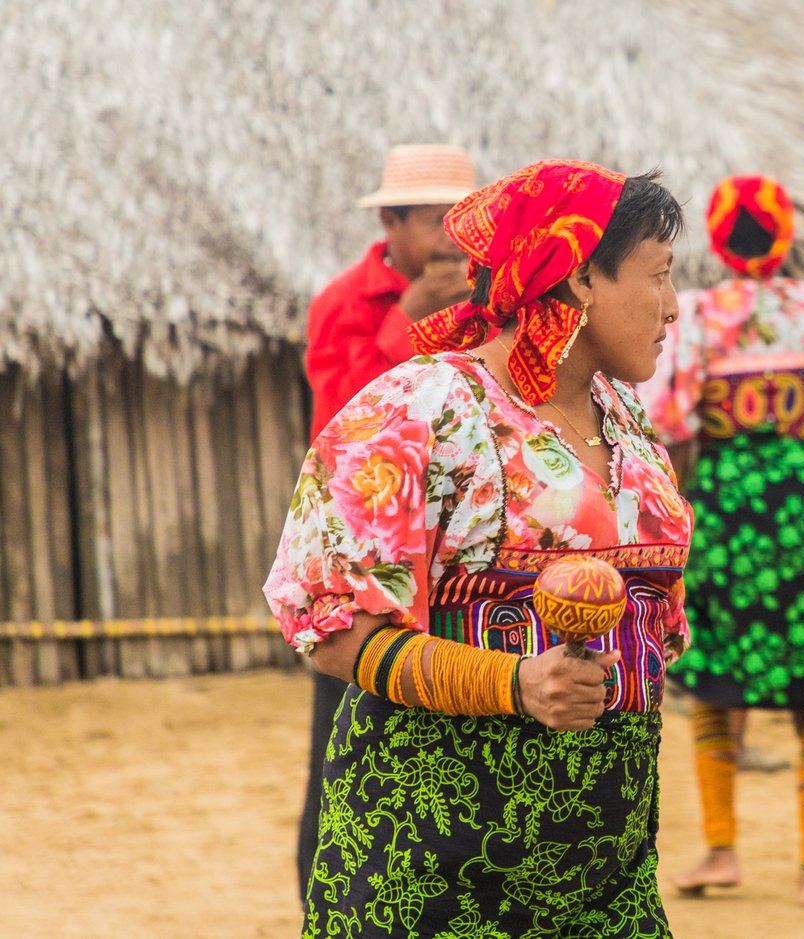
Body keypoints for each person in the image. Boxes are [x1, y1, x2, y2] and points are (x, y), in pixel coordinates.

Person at [265, 159, 693, 937]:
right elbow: (331, 627)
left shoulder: (629, 425)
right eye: (658, 276)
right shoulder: (417, 412)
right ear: (577, 282)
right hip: (435, 879)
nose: (673, 308)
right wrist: (516, 683)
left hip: (605, 885)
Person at [645, 175, 804, 908]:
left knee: (713, 685)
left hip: (730, 517)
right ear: (785, 235)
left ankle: (722, 852)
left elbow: (664, 416)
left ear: (721, 242)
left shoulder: (695, 317)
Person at [293, 143, 476, 897]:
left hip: (453, 560)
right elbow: (343, 424)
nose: (449, 240)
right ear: (393, 223)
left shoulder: (483, 303)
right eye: (435, 220)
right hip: (367, 566)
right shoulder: (343, 305)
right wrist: (407, 322)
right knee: (344, 737)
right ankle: (327, 898)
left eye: (461, 221)